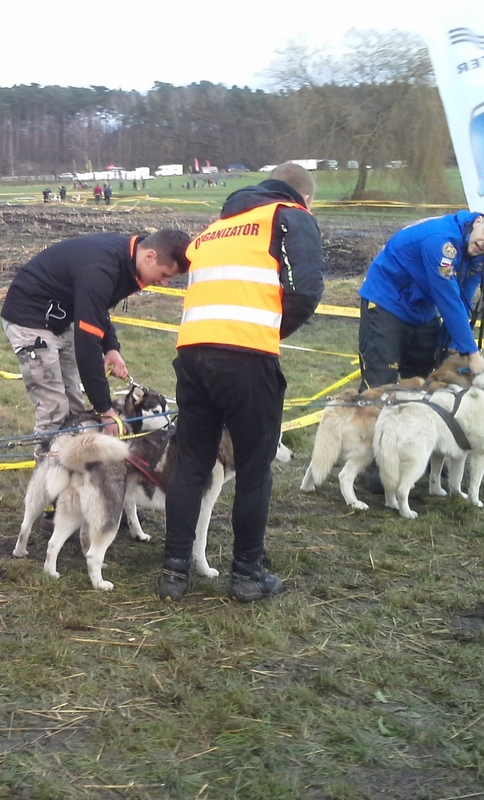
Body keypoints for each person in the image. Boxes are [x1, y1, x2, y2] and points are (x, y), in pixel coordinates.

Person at [160, 163, 325, 603]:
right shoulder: (290, 216)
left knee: (191, 464)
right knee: (254, 467)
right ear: (305, 198)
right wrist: (271, 332)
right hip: (247, 357)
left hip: (192, 353)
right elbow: (306, 291)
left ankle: (174, 571)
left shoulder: (215, 229)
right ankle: (248, 573)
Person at [0, 229, 192, 455]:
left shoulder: (127, 260)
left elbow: (97, 308)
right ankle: (46, 471)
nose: (165, 283)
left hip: (60, 319)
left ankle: (72, 466)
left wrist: (111, 348)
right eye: (165, 274)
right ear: (150, 256)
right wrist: (105, 409)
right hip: (28, 317)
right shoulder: (101, 269)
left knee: (74, 405)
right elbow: (87, 345)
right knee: (53, 408)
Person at [357, 206, 484, 390]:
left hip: (423, 310)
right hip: (385, 301)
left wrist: (455, 343)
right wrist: (472, 353)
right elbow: (448, 298)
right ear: (478, 221)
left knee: (425, 384)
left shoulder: (481, 256)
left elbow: (464, 298)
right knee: (380, 387)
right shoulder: (441, 241)